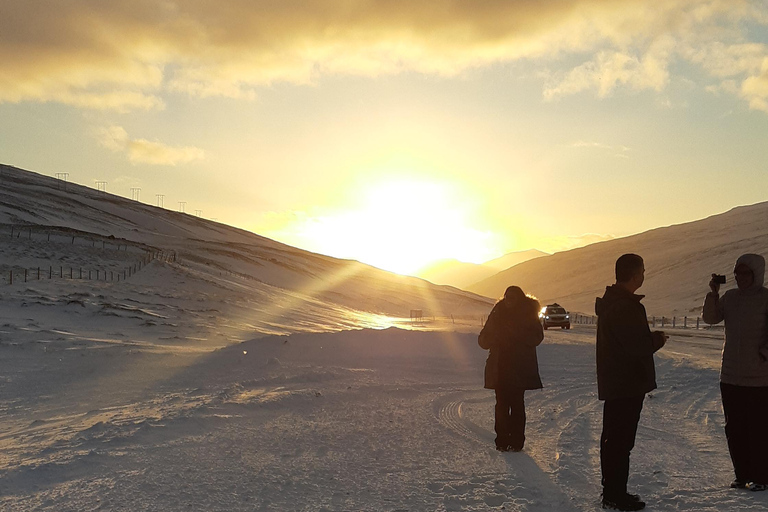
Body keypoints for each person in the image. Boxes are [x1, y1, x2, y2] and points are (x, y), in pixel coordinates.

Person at [595, 254, 666, 511]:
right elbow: (636, 345)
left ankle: (613, 491)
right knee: (619, 441)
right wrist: (656, 339)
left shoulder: (615, 302)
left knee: (615, 439)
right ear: (635, 275)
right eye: (643, 271)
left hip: (619, 382)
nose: (644, 275)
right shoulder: (624, 305)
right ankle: (615, 494)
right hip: (626, 382)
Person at [703, 253, 768, 492]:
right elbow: (710, 318)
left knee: (759, 428)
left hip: (760, 378)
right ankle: (742, 475)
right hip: (730, 376)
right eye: (737, 273)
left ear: (756, 273)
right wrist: (713, 293)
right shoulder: (730, 297)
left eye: (745, 273)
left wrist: (764, 354)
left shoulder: (766, 299)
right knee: (735, 428)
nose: (740, 278)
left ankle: (761, 476)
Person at [478, 285, 544, 452]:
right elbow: (483, 339)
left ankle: (516, 441)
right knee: (501, 405)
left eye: (512, 297)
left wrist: (516, 333)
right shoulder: (497, 312)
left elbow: (537, 337)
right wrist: (494, 337)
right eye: (507, 297)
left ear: (519, 299)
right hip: (500, 366)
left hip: (519, 368)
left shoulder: (528, 313)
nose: (508, 301)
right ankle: (501, 440)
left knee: (516, 405)